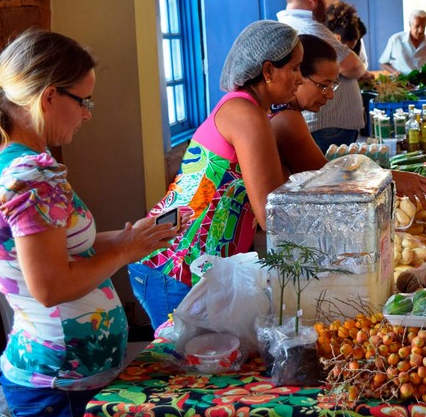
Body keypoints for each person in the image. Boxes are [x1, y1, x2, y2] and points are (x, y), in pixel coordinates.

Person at [0, 30, 178, 417]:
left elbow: (52, 250)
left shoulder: (4, 160)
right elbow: (50, 286)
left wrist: (129, 238)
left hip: (59, 376)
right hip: (59, 384)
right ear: (49, 96)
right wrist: (123, 253)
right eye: (83, 101)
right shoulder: (31, 173)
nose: (88, 113)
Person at [130, 21, 303, 330]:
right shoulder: (246, 114)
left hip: (193, 266)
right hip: (176, 265)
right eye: (295, 68)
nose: (300, 80)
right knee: (193, 371)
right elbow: (269, 212)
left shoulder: (251, 111)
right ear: (267, 71)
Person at [271, 34, 426, 207]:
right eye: (323, 85)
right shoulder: (286, 117)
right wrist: (389, 177)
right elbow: (324, 179)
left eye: (333, 85)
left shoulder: (287, 112)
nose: (330, 94)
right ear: (298, 76)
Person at [276, 0, 370, 154]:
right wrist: (363, 71)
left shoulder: (287, 24)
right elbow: (353, 67)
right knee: (330, 179)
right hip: (328, 126)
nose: (326, 3)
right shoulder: (311, 28)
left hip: (324, 124)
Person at [379, 10, 426, 76]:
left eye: (423, 26)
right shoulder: (396, 40)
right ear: (410, 24)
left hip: (423, 84)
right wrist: (394, 72)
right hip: (400, 83)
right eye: (417, 26)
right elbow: (383, 63)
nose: (420, 30)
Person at [326, 0, 368, 68]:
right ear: (337, 38)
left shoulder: (356, 37)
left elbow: (363, 62)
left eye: (351, 49)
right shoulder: (321, 38)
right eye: (347, 49)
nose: (349, 53)